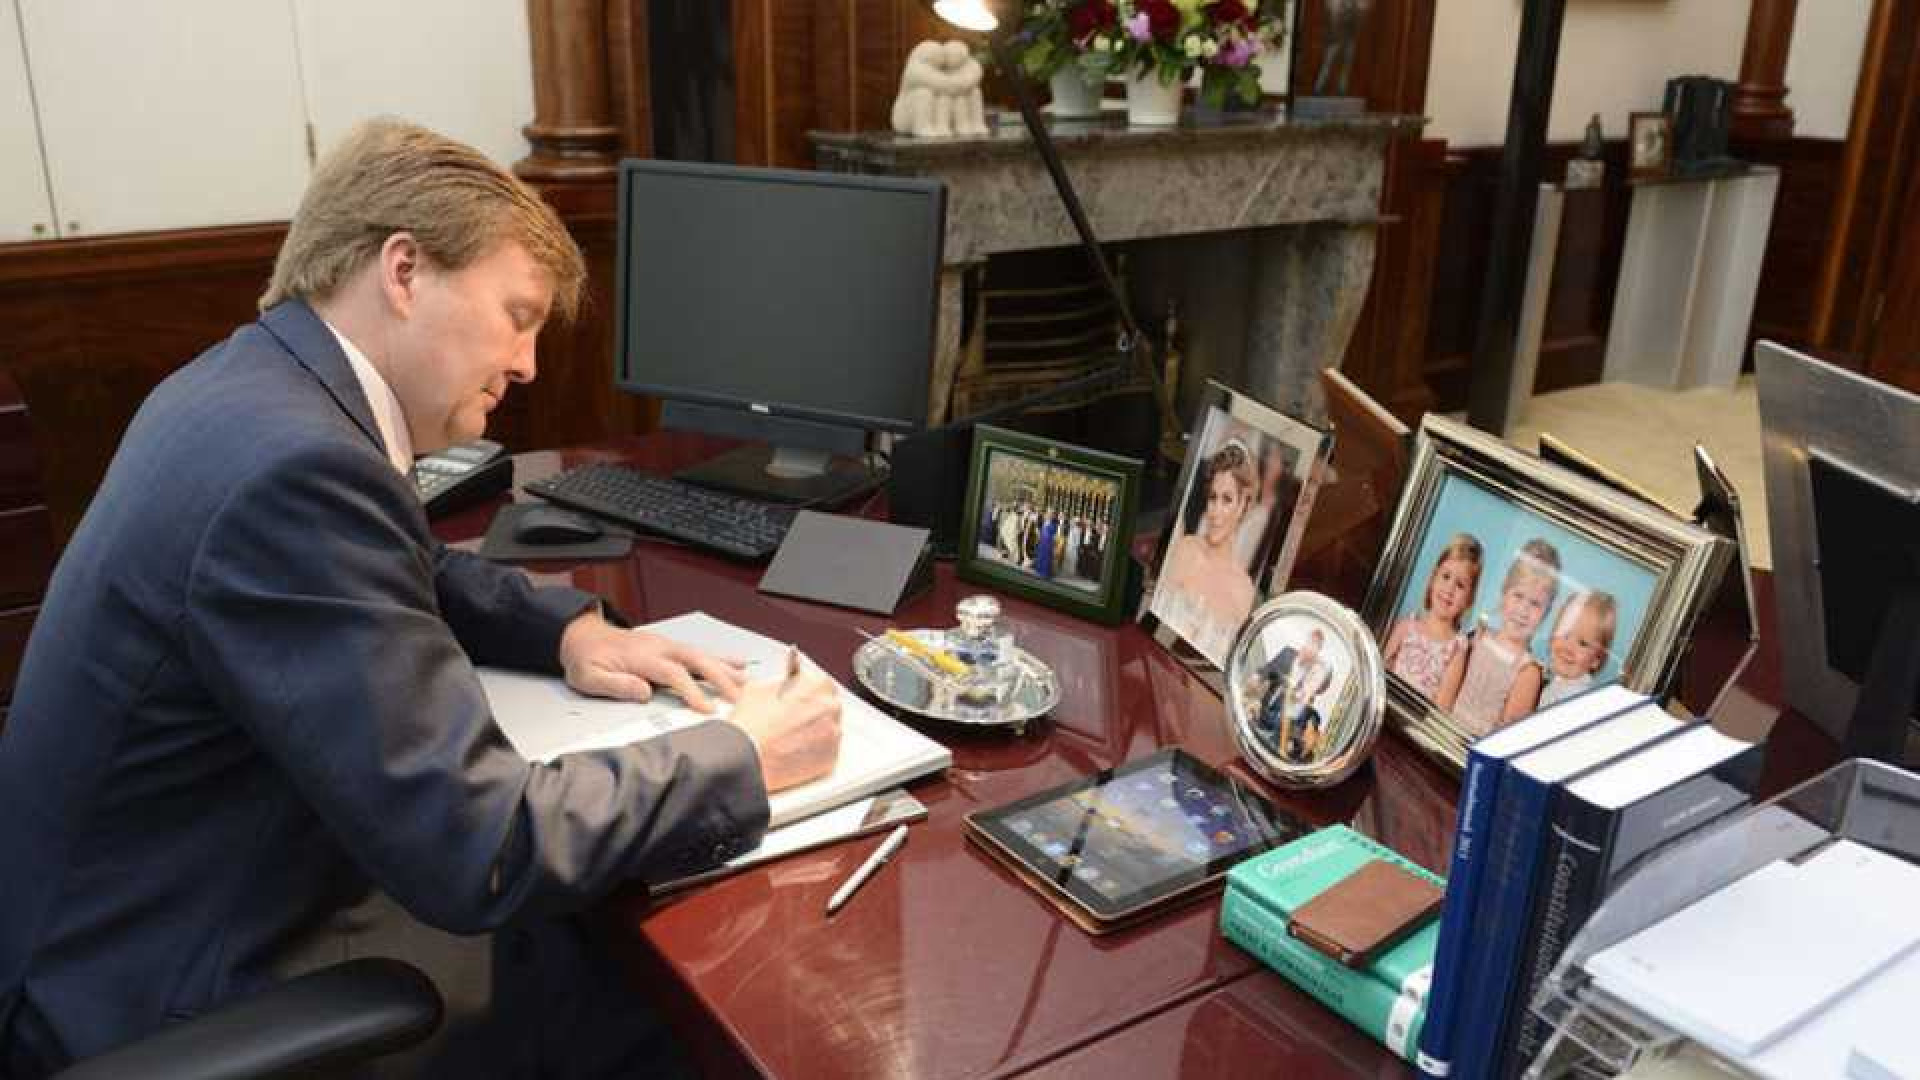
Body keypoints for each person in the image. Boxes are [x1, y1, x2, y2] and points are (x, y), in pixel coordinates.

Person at [0, 119, 843, 1078]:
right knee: (643, 997)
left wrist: (567, 630)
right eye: (517, 314)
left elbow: (406, 563)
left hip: (111, 921)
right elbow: (478, 846)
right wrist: (744, 758)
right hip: (162, 993)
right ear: (404, 272)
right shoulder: (298, 467)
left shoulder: (251, 387)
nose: (528, 364)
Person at [1153, 441, 1259, 663]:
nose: (1214, 511)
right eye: (1213, 497)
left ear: (1243, 506)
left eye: (1227, 499)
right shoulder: (1186, 549)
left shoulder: (1244, 590)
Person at [1451, 538, 1562, 737]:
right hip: (1443, 727)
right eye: (1518, 596)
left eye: (1535, 604)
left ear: (1547, 612)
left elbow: (1507, 735)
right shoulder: (1478, 637)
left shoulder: (1528, 671)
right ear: (1504, 592)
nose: (1523, 610)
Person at [1383, 534, 1483, 704]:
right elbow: (1380, 673)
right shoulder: (1406, 627)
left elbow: (1443, 705)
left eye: (1460, 585)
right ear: (1433, 579)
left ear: (1469, 599)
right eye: (1445, 577)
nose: (1449, 589)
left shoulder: (1457, 649)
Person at [1540, 590, 1618, 707]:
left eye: (1583, 643)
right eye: (1565, 635)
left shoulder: (1575, 698)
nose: (1568, 648)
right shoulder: (1558, 683)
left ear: (1596, 659)